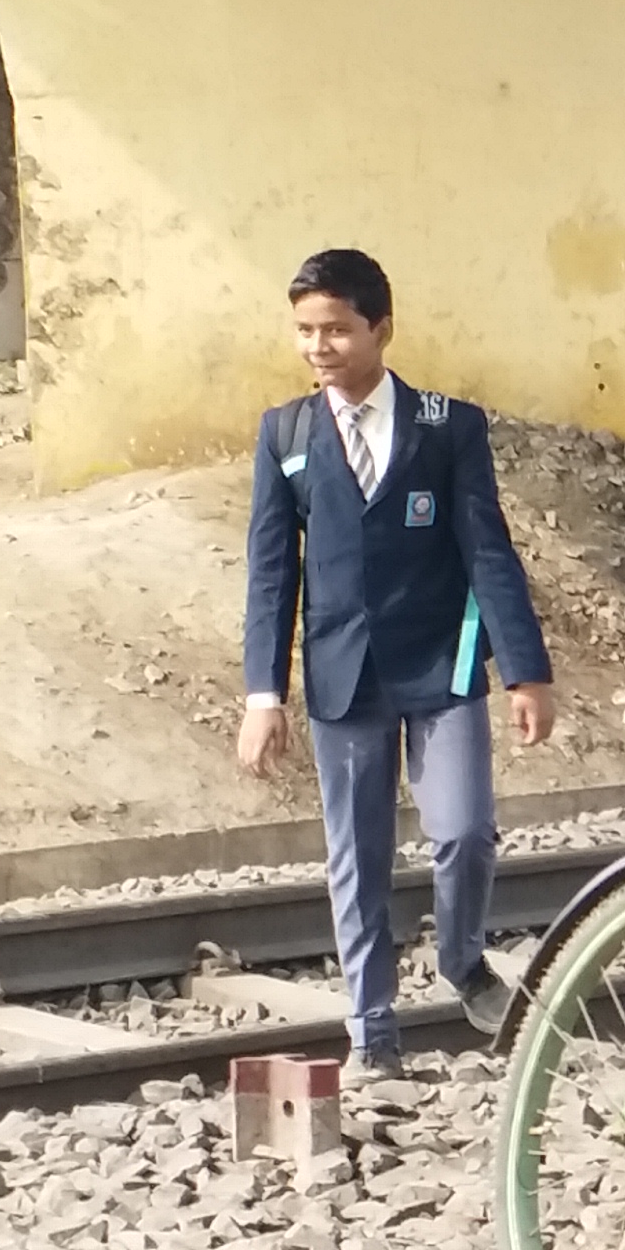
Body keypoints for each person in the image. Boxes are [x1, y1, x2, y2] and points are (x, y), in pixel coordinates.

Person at [236, 247, 553, 1068]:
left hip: (441, 671)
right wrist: (261, 693)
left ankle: (460, 957)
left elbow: (489, 552)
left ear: (380, 328)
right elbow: (272, 573)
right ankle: (372, 1031)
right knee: (358, 858)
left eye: (336, 329)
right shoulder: (286, 433)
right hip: (342, 679)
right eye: (306, 331)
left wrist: (525, 669)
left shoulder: (450, 426)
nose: (319, 346)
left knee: (465, 832)